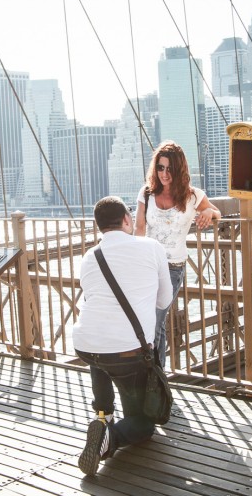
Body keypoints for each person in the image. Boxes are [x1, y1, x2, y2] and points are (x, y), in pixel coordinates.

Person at [74, 196, 172, 475]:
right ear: (127, 219)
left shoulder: (89, 256)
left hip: (86, 345)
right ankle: (109, 438)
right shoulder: (152, 247)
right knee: (143, 423)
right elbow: (164, 300)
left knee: (99, 349)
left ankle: (103, 413)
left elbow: (92, 298)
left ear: (99, 227)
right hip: (128, 354)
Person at [134, 141, 221, 368]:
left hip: (172, 267)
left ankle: (154, 377)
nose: (164, 174)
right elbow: (139, 230)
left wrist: (210, 211)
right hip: (146, 266)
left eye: (169, 168)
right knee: (153, 322)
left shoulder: (192, 196)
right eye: (160, 168)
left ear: (179, 169)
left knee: (156, 319)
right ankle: (158, 378)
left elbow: (217, 213)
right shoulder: (146, 194)